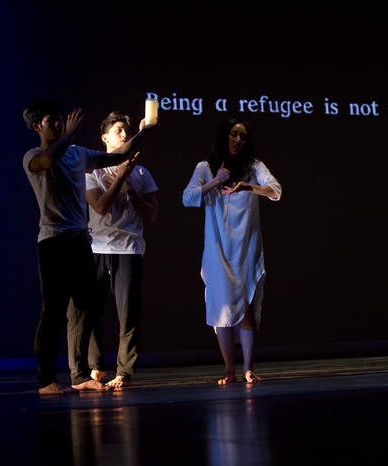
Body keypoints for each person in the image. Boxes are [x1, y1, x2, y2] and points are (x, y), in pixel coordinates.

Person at [22, 98, 155, 395]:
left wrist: (144, 132)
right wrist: (67, 135)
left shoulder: (77, 154)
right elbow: (46, 162)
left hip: (80, 239)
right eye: (51, 121)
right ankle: (46, 381)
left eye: (60, 119)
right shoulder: (33, 155)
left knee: (86, 309)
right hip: (53, 242)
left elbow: (119, 153)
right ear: (36, 127)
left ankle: (80, 377)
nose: (58, 123)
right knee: (54, 311)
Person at [182, 119, 282, 384]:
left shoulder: (254, 167)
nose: (238, 140)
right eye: (233, 135)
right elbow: (188, 198)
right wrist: (215, 181)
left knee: (247, 308)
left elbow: (276, 191)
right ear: (224, 137)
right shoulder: (205, 167)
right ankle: (229, 369)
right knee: (222, 310)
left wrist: (248, 187)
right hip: (218, 250)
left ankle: (248, 367)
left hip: (246, 247)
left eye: (243, 137)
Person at [79, 111, 159, 389]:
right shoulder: (92, 172)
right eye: (118, 130)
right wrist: (118, 180)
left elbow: (151, 216)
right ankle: (96, 368)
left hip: (130, 250)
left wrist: (130, 188)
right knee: (89, 312)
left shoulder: (142, 173)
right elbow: (99, 206)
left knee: (128, 315)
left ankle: (124, 372)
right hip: (96, 249)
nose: (124, 134)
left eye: (127, 130)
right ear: (104, 138)